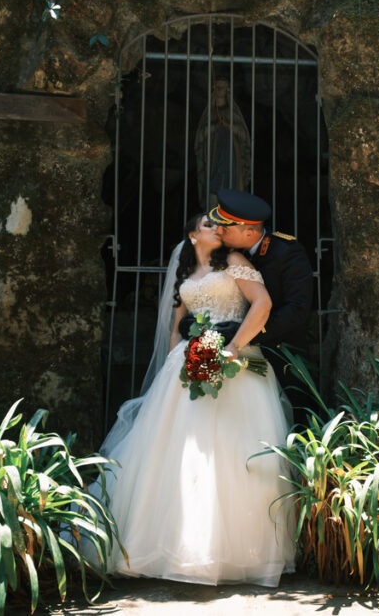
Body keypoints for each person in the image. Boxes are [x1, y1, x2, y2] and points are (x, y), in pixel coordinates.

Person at [97, 213, 295, 586]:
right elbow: (176, 327)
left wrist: (233, 347)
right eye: (208, 225)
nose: (217, 229)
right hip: (188, 365)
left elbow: (262, 304)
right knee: (179, 454)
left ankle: (239, 552)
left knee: (233, 451)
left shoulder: (234, 261)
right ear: (192, 235)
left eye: (220, 225)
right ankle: (166, 546)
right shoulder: (184, 274)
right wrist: (176, 364)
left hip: (236, 361)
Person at [183, 188, 313, 411]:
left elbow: (297, 309)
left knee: (290, 412)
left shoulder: (286, 252)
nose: (218, 231)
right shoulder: (227, 252)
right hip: (234, 349)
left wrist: (247, 333)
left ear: (249, 233)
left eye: (225, 228)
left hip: (281, 349)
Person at [196, 77, 252, 207]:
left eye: (221, 87)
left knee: (231, 184)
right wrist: (214, 127)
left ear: (227, 90)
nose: (218, 90)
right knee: (214, 187)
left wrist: (229, 126)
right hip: (214, 156)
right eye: (216, 87)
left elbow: (244, 135)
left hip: (231, 157)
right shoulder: (209, 114)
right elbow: (200, 137)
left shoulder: (233, 114)